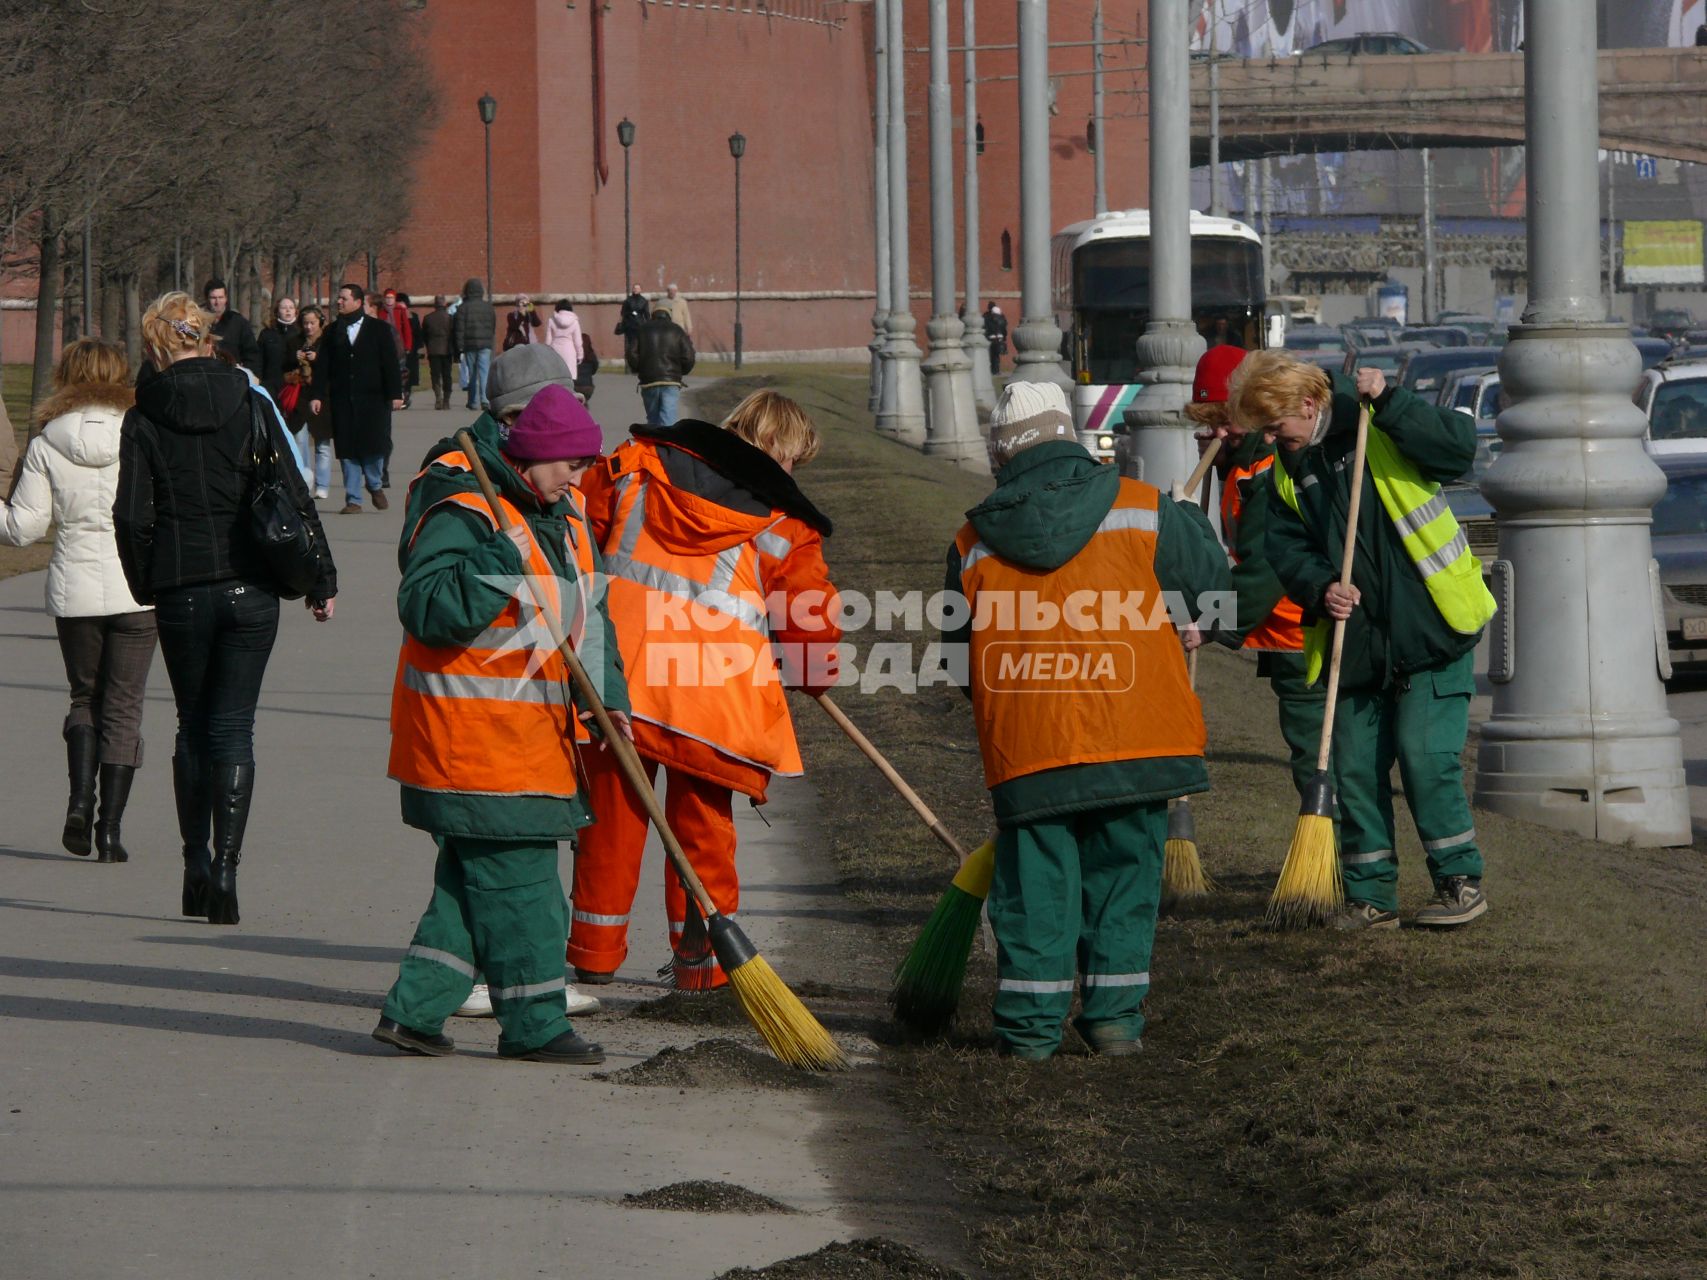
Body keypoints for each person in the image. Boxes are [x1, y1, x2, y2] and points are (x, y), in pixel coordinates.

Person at [941, 381, 1228, 1060]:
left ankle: (1029, 1033)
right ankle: (1113, 1022)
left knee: (1035, 890)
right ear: (1068, 434)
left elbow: (961, 666)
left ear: (1000, 453)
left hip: (1030, 748)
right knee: (1125, 879)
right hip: (1140, 732)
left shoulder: (971, 541)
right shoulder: (1143, 508)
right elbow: (1217, 601)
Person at [373, 384, 630, 1062]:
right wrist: (495, 563)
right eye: (571, 463)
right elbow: (426, 607)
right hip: (472, 742)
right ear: (535, 454)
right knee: (525, 891)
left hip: (529, 742)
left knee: (470, 887)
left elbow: (589, 619)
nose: (580, 478)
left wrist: (609, 700)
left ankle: (414, 1013)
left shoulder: (567, 517)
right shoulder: (467, 511)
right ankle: (536, 1027)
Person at [568, 390, 842, 990]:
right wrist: (812, 671)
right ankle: (703, 968)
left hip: (620, 680)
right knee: (703, 833)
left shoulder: (637, 465)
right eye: (793, 458)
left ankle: (592, 954)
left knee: (609, 824)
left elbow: (578, 535)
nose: (792, 472)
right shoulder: (783, 521)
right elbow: (807, 616)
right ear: (777, 449)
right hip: (710, 702)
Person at [1232, 349, 1497, 931]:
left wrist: (1396, 403)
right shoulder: (1284, 471)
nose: (1274, 439)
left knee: (1426, 761)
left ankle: (1459, 882)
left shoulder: (1379, 422)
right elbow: (1285, 548)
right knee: (1353, 771)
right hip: (1355, 646)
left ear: (1308, 405)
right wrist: (1322, 587)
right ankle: (1370, 894)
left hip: (1432, 630)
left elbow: (1456, 447)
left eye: (1278, 427)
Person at [114, 291, 337, 925]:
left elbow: (132, 515)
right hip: (250, 587)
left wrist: (144, 583)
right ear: (206, 337)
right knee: (234, 728)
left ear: (158, 346)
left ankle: (196, 863)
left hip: (183, 587)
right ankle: (229, 872)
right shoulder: (250, 398)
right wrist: (321, 577)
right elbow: (292, 490)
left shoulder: (145, 414)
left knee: (193, 726)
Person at [1, 339, 157, 862]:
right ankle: (110, 829)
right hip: (137, 590)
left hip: (76, 592)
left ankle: (78, 802)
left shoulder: (48, 442)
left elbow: (24, 529)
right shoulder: (142, 434)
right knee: (125, 707)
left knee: (84, 698)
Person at [1185, 347, 1324, 799]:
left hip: (1304, 635)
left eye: (1226, 420)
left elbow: (1266, 566)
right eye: (1207, 422)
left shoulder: (1264, 470)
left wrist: (1211, 621)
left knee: (1318, 754)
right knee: (1311, 749)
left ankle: (1336, 857)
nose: (1215, 433)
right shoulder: (1242, 466)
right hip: (1286, 635)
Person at [308, 283, 403, 515]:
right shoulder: (332, 332)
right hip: (342, 399)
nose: (338, 302)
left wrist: (395, 394)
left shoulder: (379, 330)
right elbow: (322, 367)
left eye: (343, 298)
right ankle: (353, 499)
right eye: (338, 299)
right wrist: (317, 395)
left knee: (373, 446)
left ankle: (374, 484)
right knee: (347, 448)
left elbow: (390, 364)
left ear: (358, 302)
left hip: (373, 399)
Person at [626, 304, 694, 426]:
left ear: (653, 315)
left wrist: (640, 369)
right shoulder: (677, 330)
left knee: (652, 419)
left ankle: (653, 442)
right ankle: (666, 443)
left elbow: (632, 353)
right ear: (668, 315)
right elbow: (688, 356)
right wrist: (679, 372)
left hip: (649, 380)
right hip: (671, 381)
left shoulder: (643, 329)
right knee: (668, 418)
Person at [294, 305, 335, 498]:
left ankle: (322, 484)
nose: (309, 327)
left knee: (322, 443)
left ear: (320, 322)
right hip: (300, 396)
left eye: (312, 323)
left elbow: (335, 367)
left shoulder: (327, 341)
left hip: (323, 396)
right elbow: (283, 364)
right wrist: (295, 359)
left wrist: (318, 358)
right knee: (300, 440)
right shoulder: (295, 341)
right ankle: (304, 480)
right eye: (305, 323)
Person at [453, 278, 497, 411]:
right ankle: (484, 399)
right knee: (484, 372)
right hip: (485, 344)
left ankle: (473, 401)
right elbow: (493, 325)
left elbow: (459, 329)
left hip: (469, 344)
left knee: (472, 373)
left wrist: (459, 346)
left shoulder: (462, 308)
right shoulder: (488, 307)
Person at [204, 278, 260, 374]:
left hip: (232, 377)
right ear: (206, 298)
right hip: (206, 375)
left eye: (220, 297)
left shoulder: (238, 323)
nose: (217, 302)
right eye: (213, 298)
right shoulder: (198, 323)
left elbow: (252, 356)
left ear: (226, 298)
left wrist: (245, 374)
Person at [256, 297, 302, 401]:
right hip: (270, 383)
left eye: (291, 307)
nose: (288, 310)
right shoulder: (267, 333)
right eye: (283, 307)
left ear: (296, 311)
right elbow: (258, 359)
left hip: (293, 386)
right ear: (277, 311)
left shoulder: (300, 332)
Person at [380, 289, 416, 409]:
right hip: (385, 346)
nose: (389, 300)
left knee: (401, 372)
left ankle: (402, 396)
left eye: (391, 298)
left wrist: (407, 346)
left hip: (399, 346)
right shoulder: (381, 312)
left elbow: (407, 329)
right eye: (387, 298)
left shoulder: (400, 311)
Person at [420, 293, 456, 410]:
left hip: (433, 350)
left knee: (435, 375)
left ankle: (438, 398)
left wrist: (428, 346)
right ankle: (446, 400)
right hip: (446, 350)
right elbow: (453, 335)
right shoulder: (450, 318)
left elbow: (424, 335)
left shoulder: (428, 318)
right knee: (447, 376)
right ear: (444, 304)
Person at [544, 299, 584, 384]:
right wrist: (580, 355)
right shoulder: (575, 322)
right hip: (569, 350)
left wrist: (546, 353)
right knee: (569, 378)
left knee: (555, 378)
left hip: (554, 350)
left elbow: (548, 340)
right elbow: (578, 341)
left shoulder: (551, 320)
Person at [984, 302, 1008, 375]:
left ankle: (992, 370)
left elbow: (986, 328)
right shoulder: (1002, 318)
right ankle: (996, 370)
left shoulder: (987, 317)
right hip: (999, 338)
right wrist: (1004, 337)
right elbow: (1004, 329)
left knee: (991, 355)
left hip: (991, 338)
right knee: (996, 356)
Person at [575, 330, 599, 405]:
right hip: (588, 387)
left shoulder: (573, 354)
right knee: (583, 402)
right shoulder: (591, 355)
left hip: (574, 386)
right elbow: (594, 370)